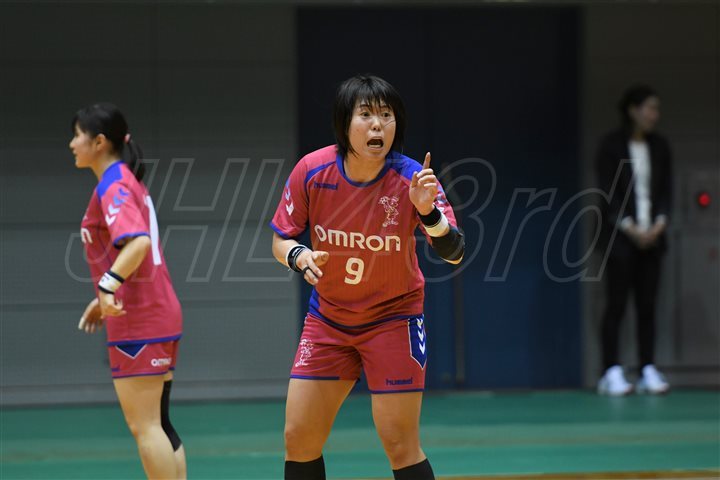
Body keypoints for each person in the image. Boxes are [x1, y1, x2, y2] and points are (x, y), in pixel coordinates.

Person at [270, 75, 464, 480]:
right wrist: (299, 256)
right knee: (298, 437)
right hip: (328, 320)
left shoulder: (413, 179)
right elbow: (281, 239)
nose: (377, 125)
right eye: (366, 115)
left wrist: (427, 211)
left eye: (386, 115)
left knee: (400, 444)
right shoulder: (312, 170)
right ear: (344, 123)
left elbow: (454, 251)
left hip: (392, 320)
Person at [69, 103, 187, 478]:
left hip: (140, 320)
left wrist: (108, 285)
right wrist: (102, 296)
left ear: (99, 142)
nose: (72, 143)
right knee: (159, 423)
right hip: (155, 312)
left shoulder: (114, 184)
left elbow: (137, 243)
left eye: (77, 135)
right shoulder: (125, 181)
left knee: (146, 427)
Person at [595, 85, 673, 396]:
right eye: (650, 108)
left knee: (648, 304)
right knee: (616, 304)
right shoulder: (611, 146)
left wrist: (658, 224)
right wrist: (631, 228)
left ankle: (647, 368)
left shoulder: (660, 147)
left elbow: (666, 191)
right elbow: (607, 194)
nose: (655, 115)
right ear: (633, 110)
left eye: (657, 109)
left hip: (652, 239)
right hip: (621, 240)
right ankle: (611, 371)